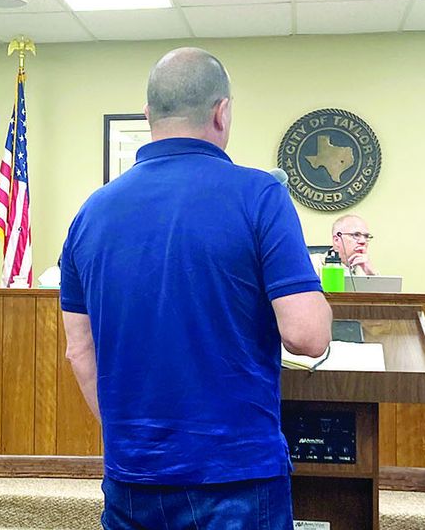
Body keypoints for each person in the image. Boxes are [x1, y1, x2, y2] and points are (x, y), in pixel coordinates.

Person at [59, 47, 332, 529]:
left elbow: (79, 352)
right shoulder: (260, 196)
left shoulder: (91, 212)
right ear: (221, 112)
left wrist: (132, 439)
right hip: (236, 475)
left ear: (148, 116)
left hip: (131, 474)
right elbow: (307, 336)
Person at [311, 214, 377, 276]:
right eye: (356, 235)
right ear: (336, 240)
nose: (363, 241)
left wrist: (372, 275)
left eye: (366, 236)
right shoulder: (312, 263)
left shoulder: (365, 268)